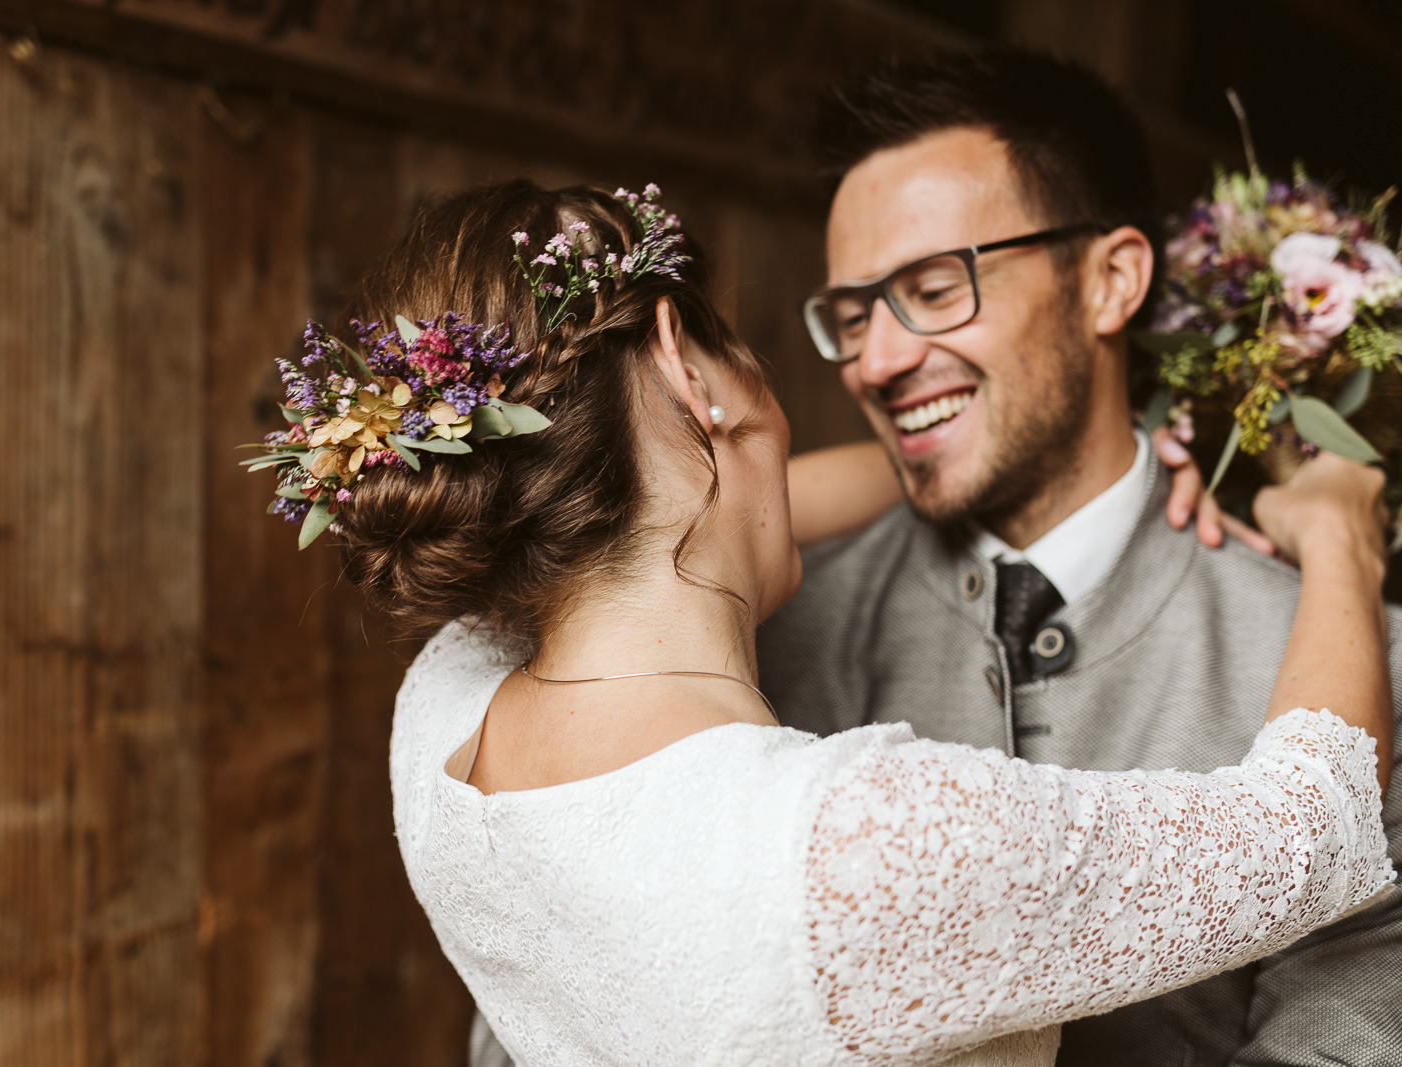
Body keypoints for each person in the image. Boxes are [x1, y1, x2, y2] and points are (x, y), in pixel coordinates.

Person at [296, 179, 1395, 1066]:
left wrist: (1023, 422)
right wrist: (1342, 523)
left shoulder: (444, 702)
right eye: (858, 317)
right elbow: (1321, 817)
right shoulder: (855, 840)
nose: (871, 359)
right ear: (687, 364)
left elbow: (689, 497)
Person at [757, 47, 1402, 1066]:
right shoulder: (771, 636)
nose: (875, 363)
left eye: (933, 287)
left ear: (1111, 281)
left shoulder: (1356, 662)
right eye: (851, 314)